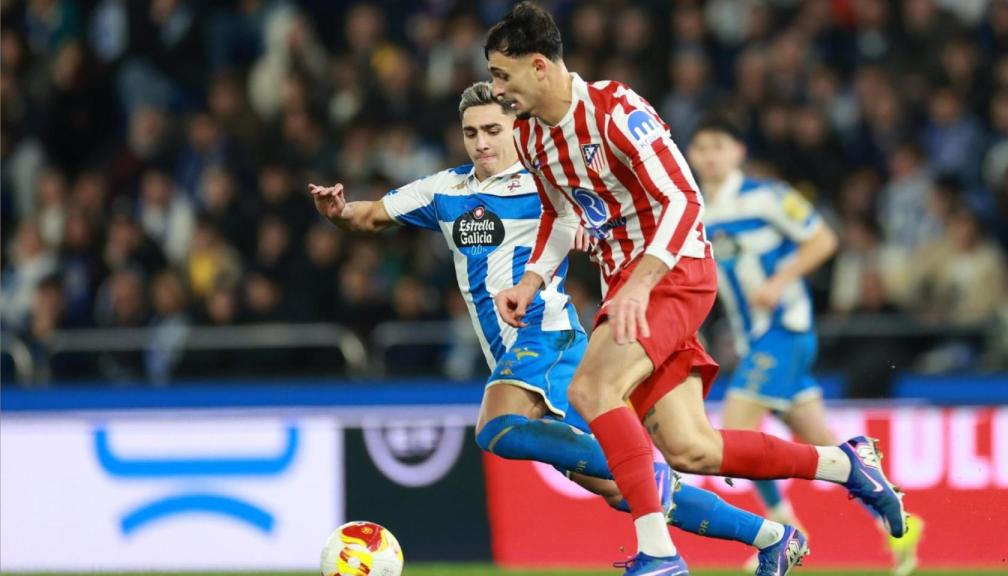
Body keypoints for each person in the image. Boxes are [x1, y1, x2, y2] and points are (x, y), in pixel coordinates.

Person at [310, 81, 809, 575]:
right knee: (621, 492)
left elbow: (607, 222)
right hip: (522, 353)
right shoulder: (445, 189)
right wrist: (338, 212)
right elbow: (370, 216)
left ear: (515, 127)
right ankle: (772, 537)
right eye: (470, 132)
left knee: (497, 427)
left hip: (546, 336)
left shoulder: (545, 182)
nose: (482, 142)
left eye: (492, 129)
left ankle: (643, 470)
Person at [486, 4, 906, 575]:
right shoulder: (533, 137)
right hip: (629, 288)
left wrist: (640, 286)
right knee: (692, 448)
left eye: (501, 75)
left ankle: (659, 553)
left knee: (593, 387)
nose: (496, 88)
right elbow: (561, 215)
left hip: (674, 273)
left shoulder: (617, 110)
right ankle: (845, 465)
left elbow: (685, 201)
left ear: (539, 67)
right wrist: (532, 280)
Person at [690, 116, 925, 576]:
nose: (710, 155)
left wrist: (780, 280)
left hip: (787, 330)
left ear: (738, 151)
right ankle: (897, 519)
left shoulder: (769, 197)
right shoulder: (696, 211)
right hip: (753, 338)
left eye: (719, 145)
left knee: (733, 427)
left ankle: (783, 530)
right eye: (701, 148)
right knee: (828, 447)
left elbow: (823, 239)